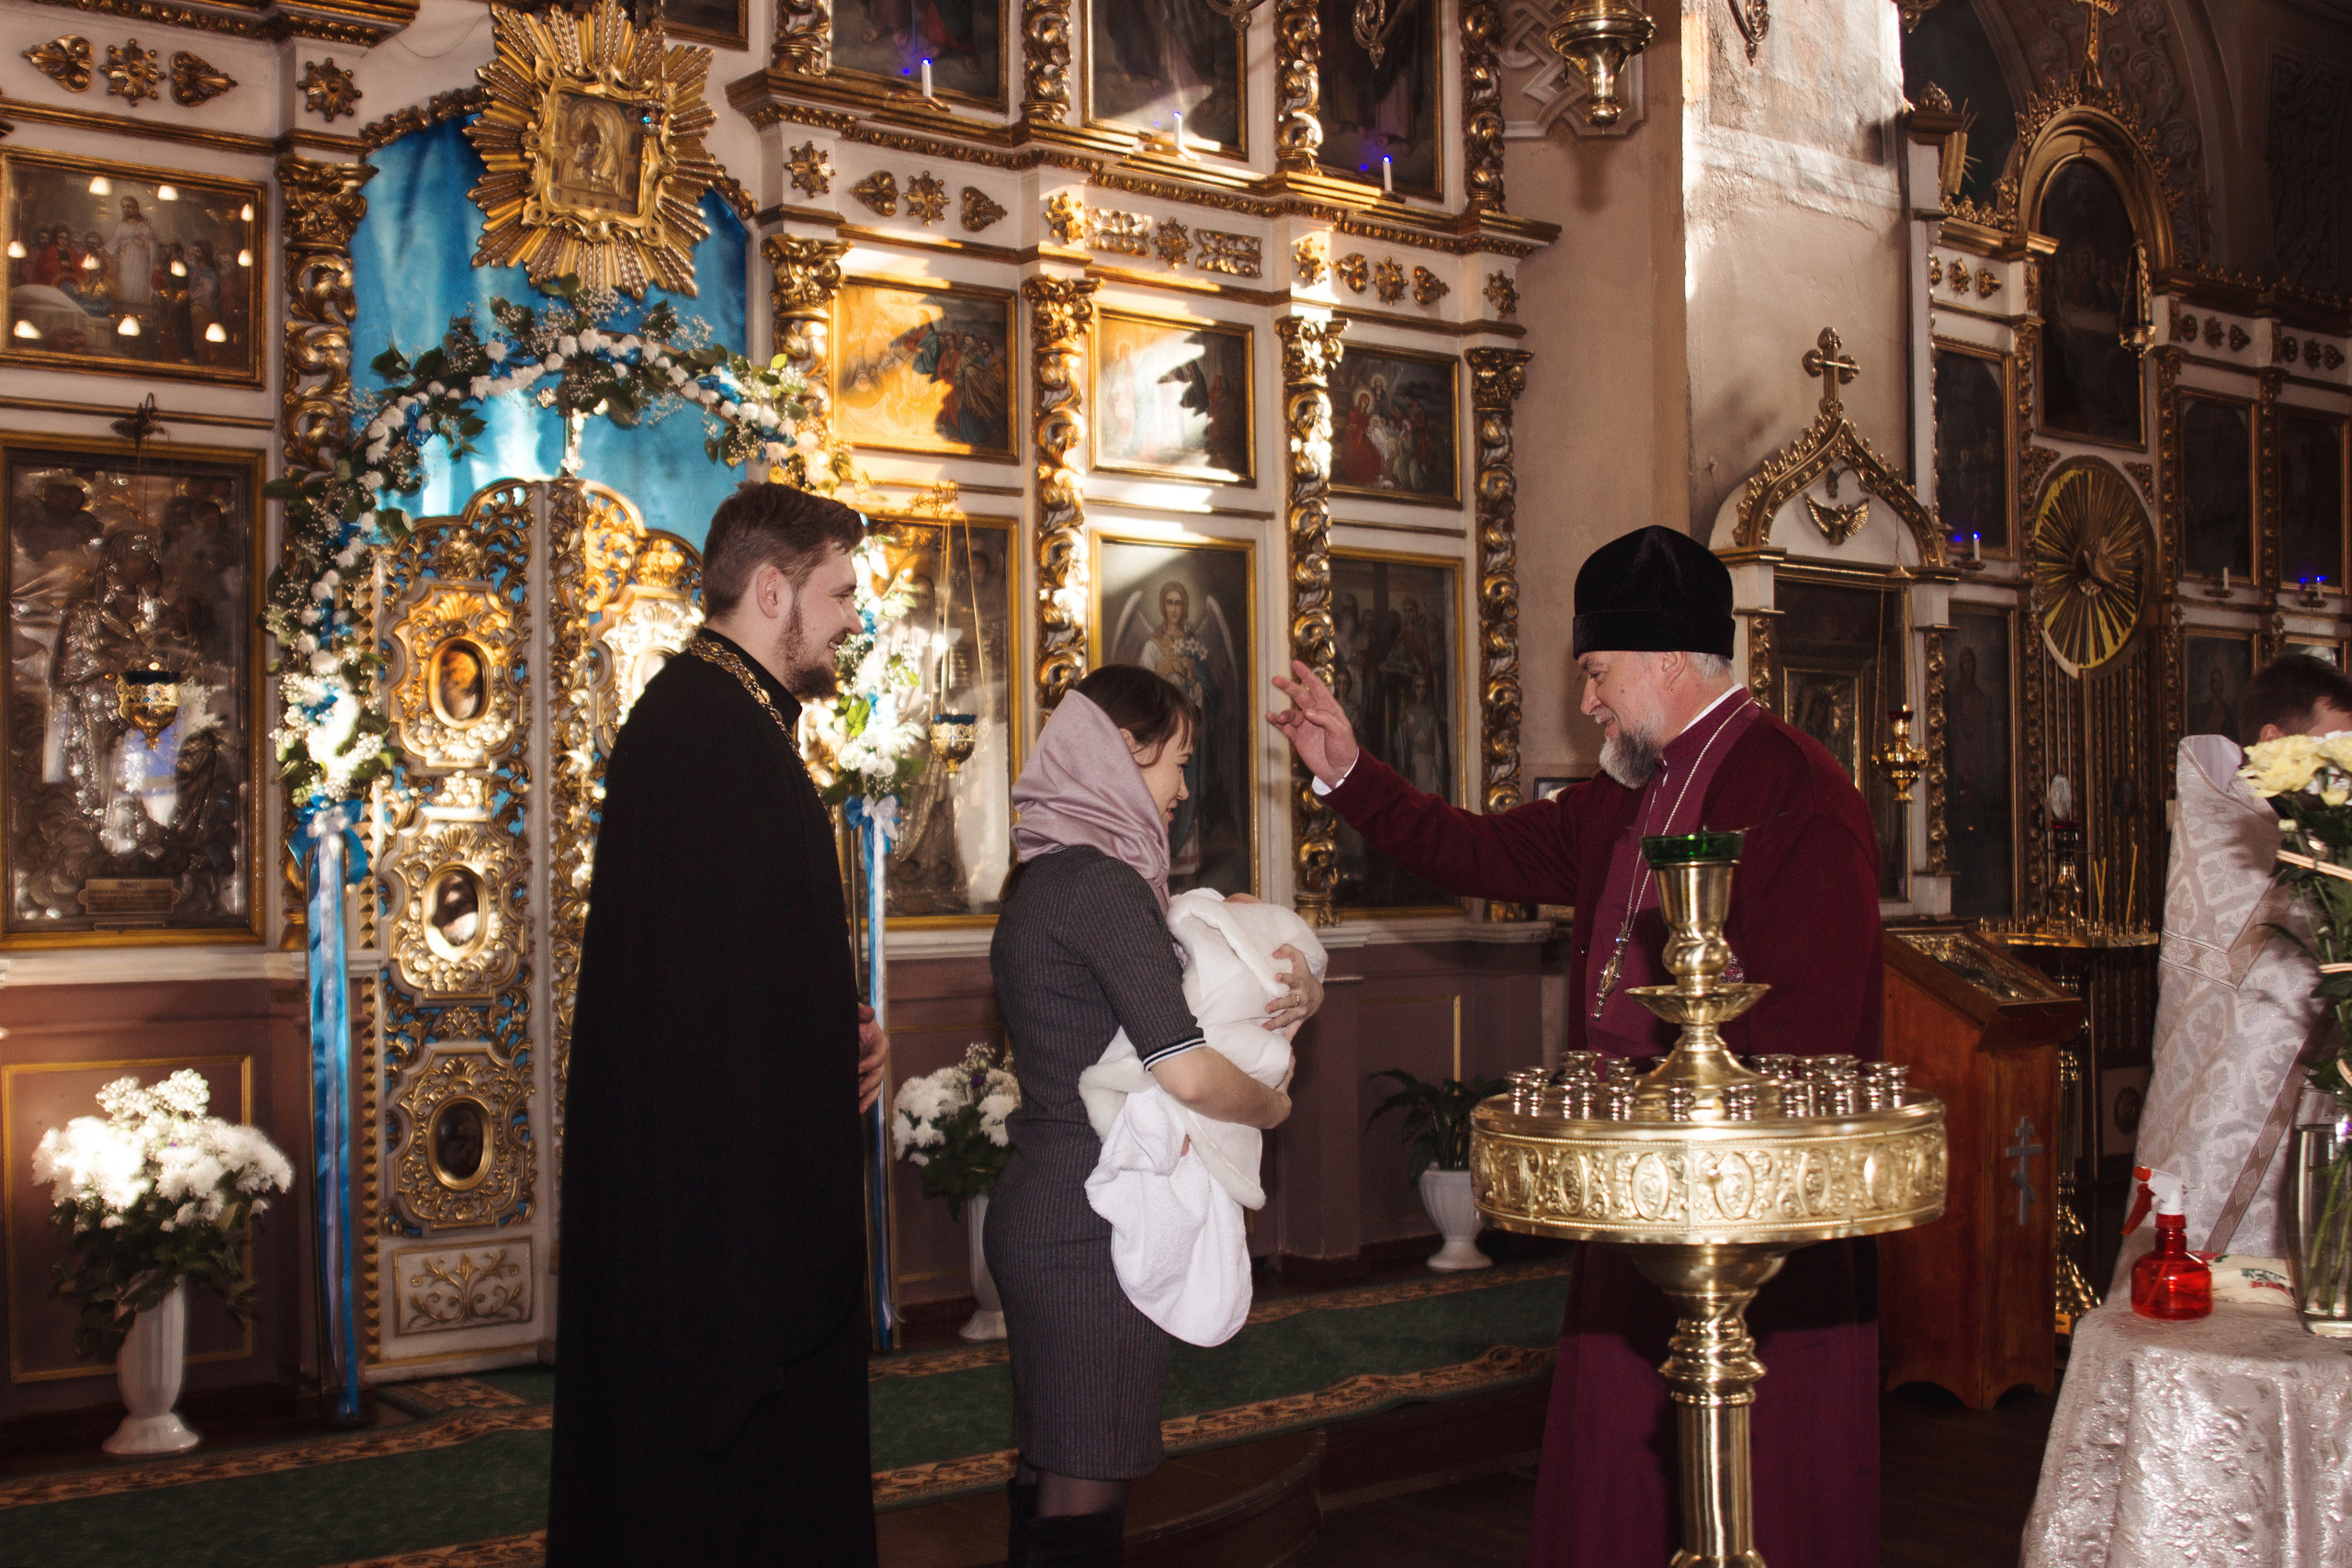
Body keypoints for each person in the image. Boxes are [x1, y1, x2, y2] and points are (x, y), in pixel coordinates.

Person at [1266, 524, 1885, 1568]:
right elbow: (1478, 847)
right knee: (1618, 1472)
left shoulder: (1796, 793)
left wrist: (1696, 1160)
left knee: (1758, 1489)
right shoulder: (1623, 794)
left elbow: (1809, 1037)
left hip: (1752, 1231)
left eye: (1596, 676)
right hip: (1635, 1202)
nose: (1587, 702)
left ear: (1665, 658)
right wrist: (1348, 774)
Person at [548, 481, 891, 1566]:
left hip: (724, 1209)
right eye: (838, 593)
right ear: (772, 588)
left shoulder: (725, 723)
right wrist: (812, 1049)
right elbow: (708, 1020)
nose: (850, 619)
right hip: (722, 1240)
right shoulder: (708, 735)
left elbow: (751, 971)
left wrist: (840, 1027)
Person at [987, 665, 1322, 1567]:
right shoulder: (1101, 887)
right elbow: (1192, 1075)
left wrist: (1301, 985)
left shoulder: (1050, 876)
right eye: (1174, 761)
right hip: (1094, 1223)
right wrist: (1278, 1104)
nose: (1180, 789)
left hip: (1052, 1206)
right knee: (1080, 1506)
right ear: (1118, 755)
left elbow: (1208, 969)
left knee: (1050, 1484)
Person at [2126, 653, 2352, 1280]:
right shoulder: (2231, 822)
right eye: (2335, 750)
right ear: (2276, 744)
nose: (2344, 776)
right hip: (2223, 1126)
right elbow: (2286, 978)